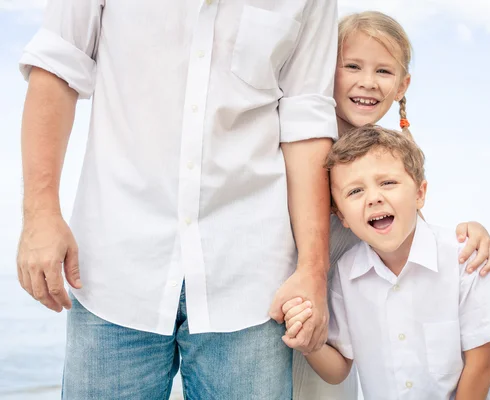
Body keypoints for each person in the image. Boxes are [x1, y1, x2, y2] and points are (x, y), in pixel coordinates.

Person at [16, 1, 340, 398]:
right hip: (115, 269)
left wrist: (313, 268)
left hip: (252, 279)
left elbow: (306, 121)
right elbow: (56, 67)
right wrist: (40, 214)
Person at [289, 11, 490, 400]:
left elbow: (413, 227)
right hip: (303, 303)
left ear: (403, 85)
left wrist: (472, 231)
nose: (368, 82)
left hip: (352, 305)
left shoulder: (387, 152)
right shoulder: (302, 139)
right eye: (352, 65)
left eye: (384, 72)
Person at [284, 125, 490, 399]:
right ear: (342, 218)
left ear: (420, 194)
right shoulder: (346, 273)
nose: (374, 198)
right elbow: (339, 368)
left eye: (388, 183)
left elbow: (480, 365)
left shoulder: (462, 258)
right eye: (355, 191)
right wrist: (309, 343)